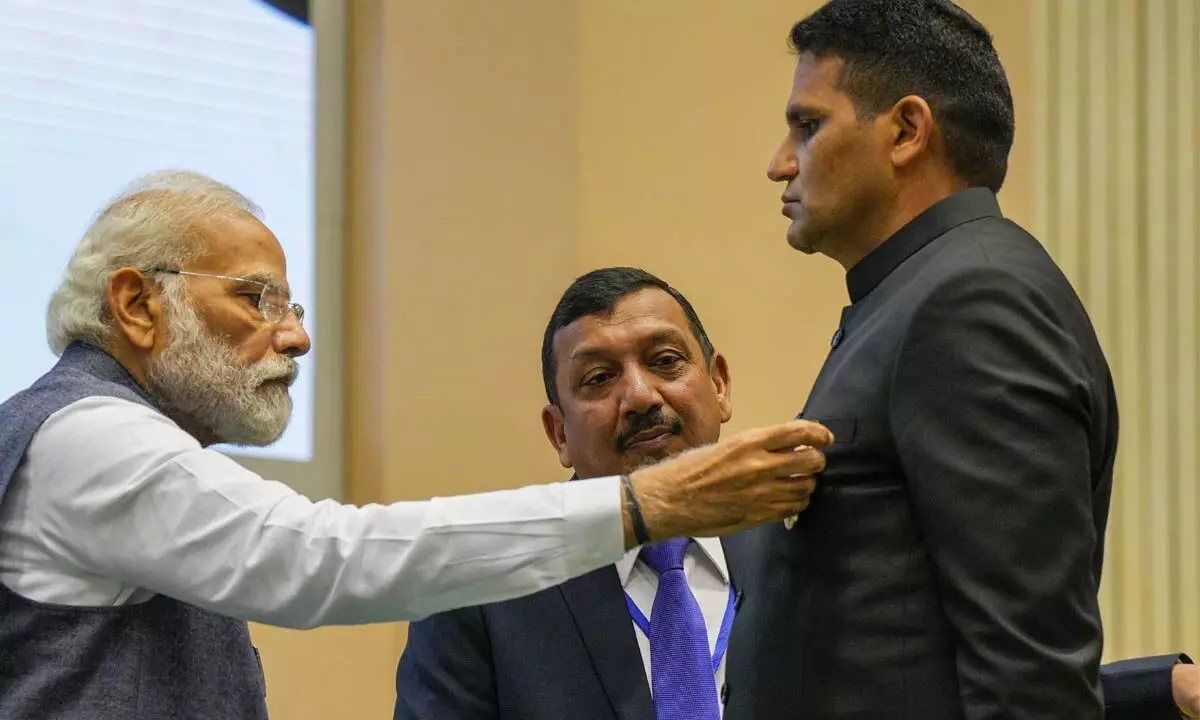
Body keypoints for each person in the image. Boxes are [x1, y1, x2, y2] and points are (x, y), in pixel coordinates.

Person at [0, 171, 833, 719]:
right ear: (137, 306)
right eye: (259, 299)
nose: (295, 337)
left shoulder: (812, 555)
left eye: (291, 305)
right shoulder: (88, 439)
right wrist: (642, 504)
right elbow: (323, 558)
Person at [393, 267, 1198, 720]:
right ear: (558, 431)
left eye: (666, 362)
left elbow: (943, 696)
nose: (639, 397)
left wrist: (1162, 691)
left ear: (719, 383)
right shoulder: (483, 591)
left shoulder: (808, 542)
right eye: (598, 380)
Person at [723, 1, 1116, 717]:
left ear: (906, 130)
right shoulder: (914, 295)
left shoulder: (972, 301)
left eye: (807, 126)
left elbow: (1030, 678)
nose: (780, 163)